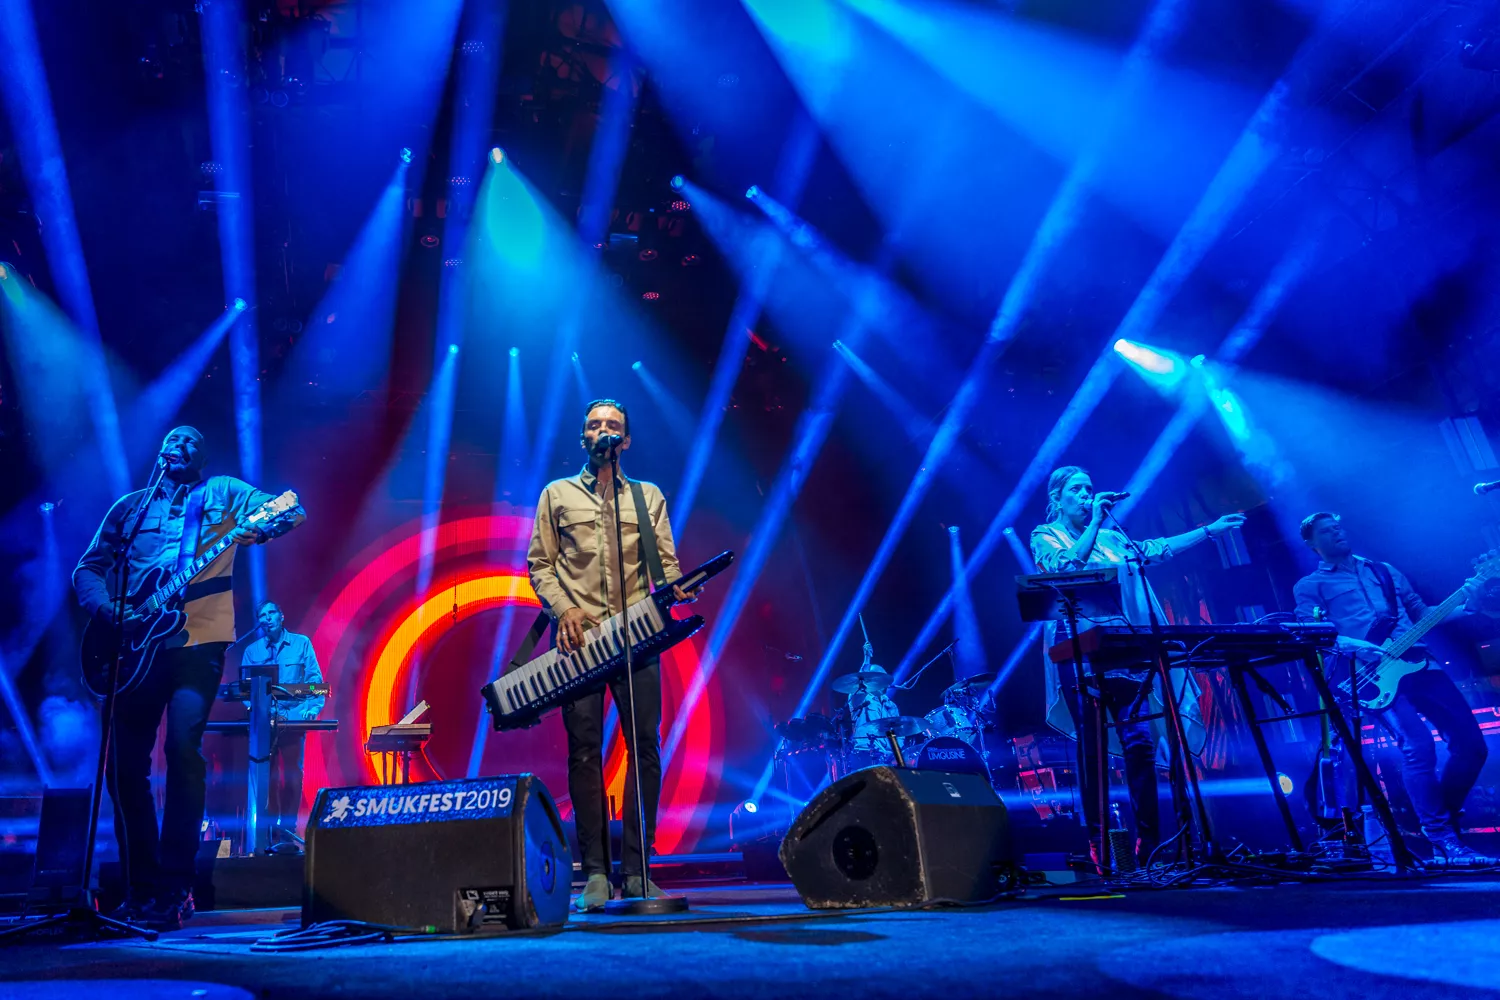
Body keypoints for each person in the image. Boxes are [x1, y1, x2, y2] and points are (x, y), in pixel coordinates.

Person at [73, 426, 305, 930]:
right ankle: (141, 887)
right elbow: (87, 569)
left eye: (190, 441)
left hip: (198, 643)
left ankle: (176, 887)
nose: (178, 444)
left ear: (202, 457)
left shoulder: (222, 492)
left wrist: (264, 527)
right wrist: (109, 612)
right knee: (123, 768)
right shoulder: (131, 509)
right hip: (133, 651)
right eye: (172, 440)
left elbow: (287, 511)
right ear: (160, 451)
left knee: (182, 749)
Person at [527, 399, 698, 912]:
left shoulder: (648, 497)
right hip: (579, 641)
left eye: (613, 425)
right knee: (584, 751)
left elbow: (665, 565)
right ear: (583, 436)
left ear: (625, 441)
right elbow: (540, 564)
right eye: (595, 424)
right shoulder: (557, 494)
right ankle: (596, 873)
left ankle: (639, 871)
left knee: (644, 747)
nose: (603, 430)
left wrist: (679, 588)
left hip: (637, 637)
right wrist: (564, 609)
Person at [1030, 465, 1245, 866]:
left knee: (1140, 744)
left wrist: (1210, 531)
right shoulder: (1046, 535)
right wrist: (1096, 521)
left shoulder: (1112, 537)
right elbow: (1064, 570)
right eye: (1077, 490)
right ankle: (1098, 842)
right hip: (1079, 651)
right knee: (1093, 745)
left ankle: (1150, 843)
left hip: (1126, 648)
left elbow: (1154, 549)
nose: (1086, 495)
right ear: (1057, 498)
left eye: (1089, 488)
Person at [1293, 512, 1494, 865]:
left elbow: (1424, 614)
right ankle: (1443, 838)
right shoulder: (1311, 585)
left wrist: (1469, 606)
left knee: (1472, 746)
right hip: (1373, 674)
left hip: (1421, 662)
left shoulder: (1384, 571)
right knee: (1418, 746)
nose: (1337, 532)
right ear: (1312, 543)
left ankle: (1441, 825)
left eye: (1338, 526)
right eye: (1326, 530)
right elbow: (1313, 634)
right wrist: (1356, 646)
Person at [239, 599, 324, 845]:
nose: (266, 618)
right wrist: (253, 708)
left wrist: (311, 708)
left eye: (271, 613)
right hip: (264, 723)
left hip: (293, 720)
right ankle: (269, 833)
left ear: (281, 615)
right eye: (262, 615)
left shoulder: (301, 643)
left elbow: (315, 683)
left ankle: (288, 829)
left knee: (293, 775)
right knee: (267, 777)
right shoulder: (252, 651)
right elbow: (243, 690)